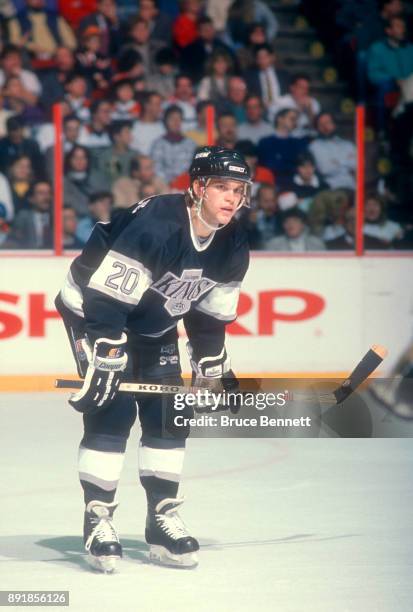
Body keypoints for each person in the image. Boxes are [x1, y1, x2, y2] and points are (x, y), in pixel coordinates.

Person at [54, 146, 252, 572]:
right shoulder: (158, 225)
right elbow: (105, 299)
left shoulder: (233, 241)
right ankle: (97, 518)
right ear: (198, 187)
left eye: (238, 190)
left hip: (153, 323)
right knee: (112, 409)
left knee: (169, 414)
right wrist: (105, 354)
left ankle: (161, 518)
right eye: (222, 187)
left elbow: (207, 313)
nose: (232, 198)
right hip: (95, 311)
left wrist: (211, 365)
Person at [150, 105, 196, 184]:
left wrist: (181, 180)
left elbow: (192, 167)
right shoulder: (158, 144)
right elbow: (156, 167)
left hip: (186, 184)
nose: (176, 122)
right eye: (172, 119)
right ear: (165, 121)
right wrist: (170, 181)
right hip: (164, 185)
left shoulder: (190, 144)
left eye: (179, 119)